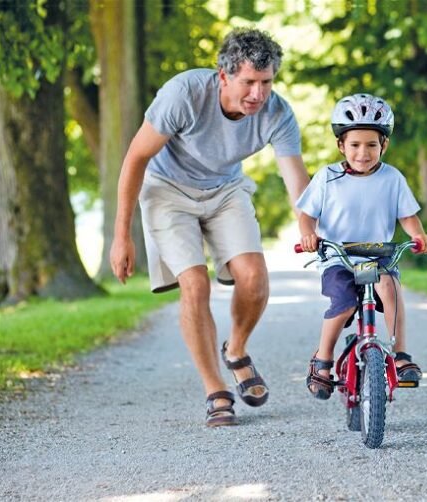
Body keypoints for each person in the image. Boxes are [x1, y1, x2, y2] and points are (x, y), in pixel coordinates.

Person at [109, 28, 310, 427]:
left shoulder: (277, 113)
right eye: (248, 82)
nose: (258, 94)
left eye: (266, 82)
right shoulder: (183, 94)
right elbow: (135, 158)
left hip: (224, 190)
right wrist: (121, 235)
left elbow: (295, 179)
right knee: (195, 284)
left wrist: (309, 229)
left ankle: (236, 350)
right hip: (167, 191)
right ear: (224, 76)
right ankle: (215, 389)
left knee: (254, 278)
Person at [297, 93, 427, 400]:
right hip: (338, 256)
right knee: (344, 303)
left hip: (379, 255)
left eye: (372, 145)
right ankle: (323, 359)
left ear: (383, 145)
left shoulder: (392, 178)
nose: (363, 152)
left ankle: (400, 355)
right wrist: (308, 235)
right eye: (355, 145)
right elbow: (306, 216)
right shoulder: (327, 178)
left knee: (390, 287)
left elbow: (408, 217)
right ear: (341, 145)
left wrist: (419, 236)